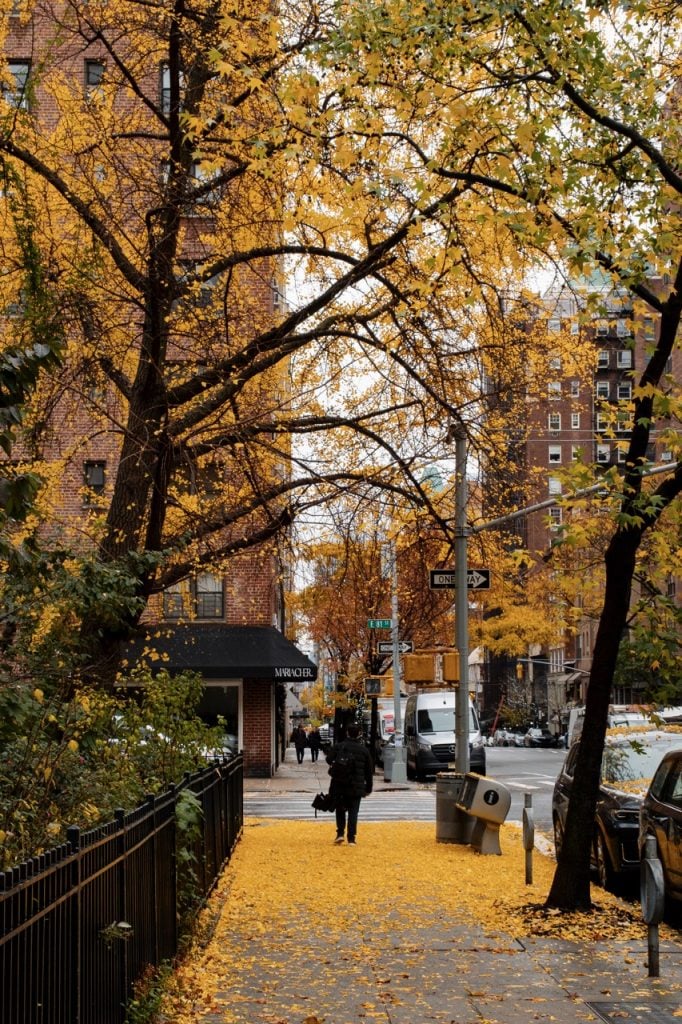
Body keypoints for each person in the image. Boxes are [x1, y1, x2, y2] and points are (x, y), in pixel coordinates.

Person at [326, 722, 373, 845]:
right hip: (356, 786)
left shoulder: (339, 746)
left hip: (339, 784)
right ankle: (351, 838)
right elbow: (369, 772)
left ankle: (340, 833)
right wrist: (368, 788)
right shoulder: (364, 751)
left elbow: (328, 759)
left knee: (340, 809)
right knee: (353, 811)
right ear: (359, 734)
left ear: (347, 733)